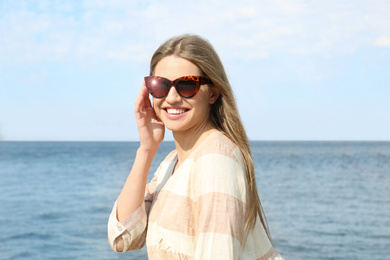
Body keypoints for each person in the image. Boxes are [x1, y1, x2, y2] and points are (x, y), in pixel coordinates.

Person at [108, 34, 283, 259]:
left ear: (213, 92)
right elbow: (123, 237)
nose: (171, 98)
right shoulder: (172, 163)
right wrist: (146, 149)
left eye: (187, 85)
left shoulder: (215, 159)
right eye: (160, 85)